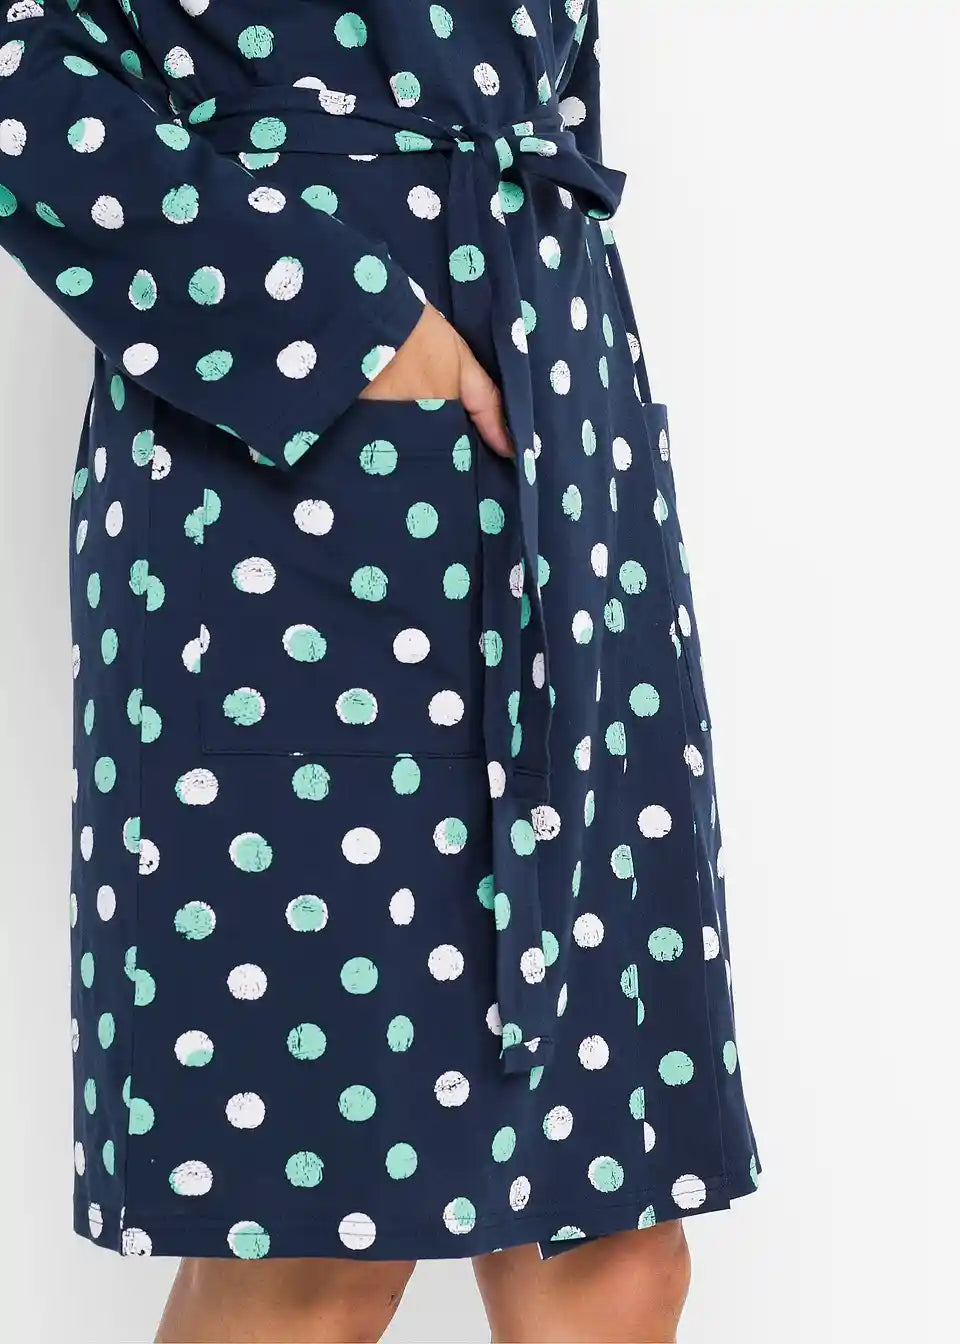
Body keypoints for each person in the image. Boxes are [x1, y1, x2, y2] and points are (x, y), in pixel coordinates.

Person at [0, 2, 761, 1340]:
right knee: (311, 1255)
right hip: (284, 485)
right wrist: (348, 325)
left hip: (561, 442)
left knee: (610, 1246)